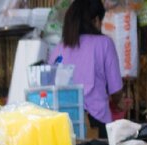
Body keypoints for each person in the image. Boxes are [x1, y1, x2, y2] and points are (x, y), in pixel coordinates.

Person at [47, 0, 125, 135]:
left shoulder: (59, 48)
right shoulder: (104, 43)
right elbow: (116, 90)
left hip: (62, 124)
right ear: (96, 20)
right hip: (96, 122)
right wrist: (118, 103)